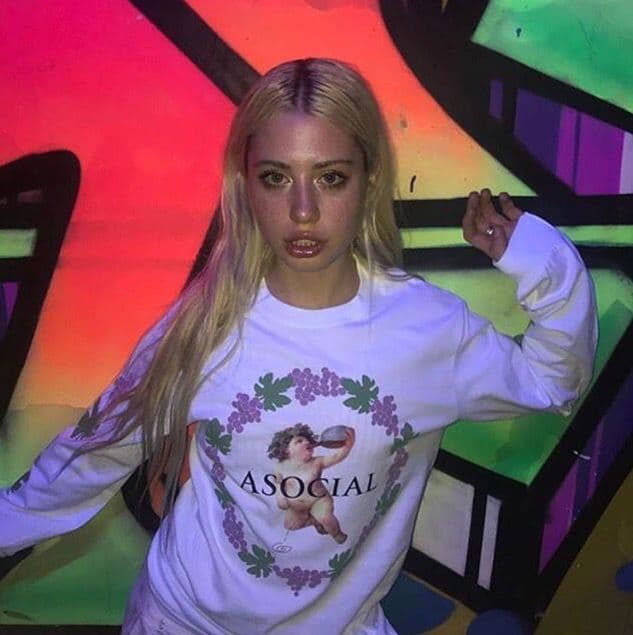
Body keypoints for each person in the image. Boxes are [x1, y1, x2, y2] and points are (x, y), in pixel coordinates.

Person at [0, 58, 597, 634]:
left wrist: (540, 261)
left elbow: (552, 382)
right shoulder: (206, 323)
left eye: (331, 177)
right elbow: (94, 454)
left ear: (369, 181)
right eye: (277, 178)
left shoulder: (426, 330)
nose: (303, 211)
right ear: (246, 185)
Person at [267, 422, 355, 544]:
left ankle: (337, 534)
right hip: (296, 507)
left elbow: (336, 457)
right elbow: (278, 483)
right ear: (286, 450)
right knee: (290, 526)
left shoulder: (317, 462)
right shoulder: (280, 467)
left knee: (325, 517)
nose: (306, 442)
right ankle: (314, 520)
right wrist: (280, 497)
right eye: (299, 441)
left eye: (307, 440)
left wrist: (347, 447)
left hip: (318, 500)